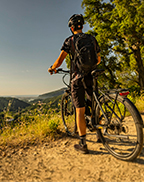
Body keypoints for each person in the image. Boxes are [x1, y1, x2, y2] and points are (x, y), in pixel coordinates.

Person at [48, 14, 101, 154]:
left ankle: (83, 144)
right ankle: (100, 135)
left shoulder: (69, 40)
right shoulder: (91, 39)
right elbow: (99, 59)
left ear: (71, 28)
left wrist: (52, 68)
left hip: (77, 77)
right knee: (94, 104)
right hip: (92, 75)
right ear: (82, 26)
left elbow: (59, 61)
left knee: (80, 110)